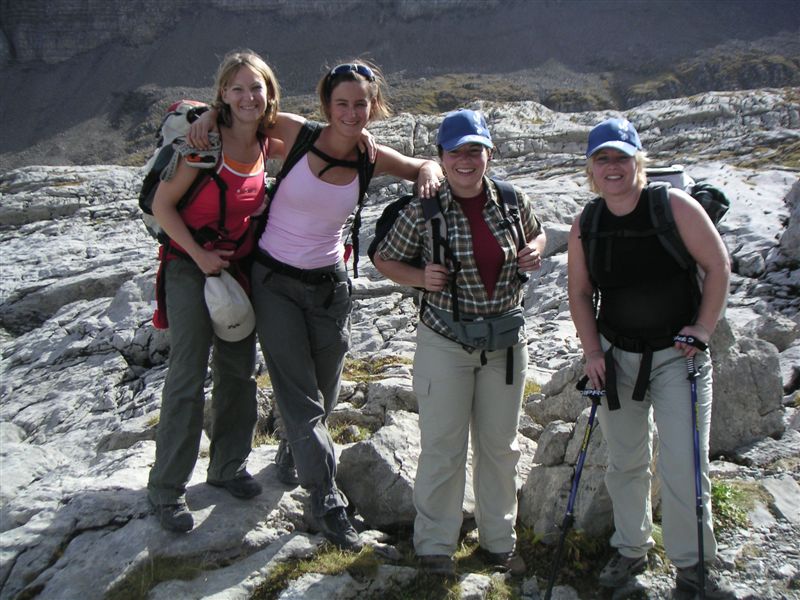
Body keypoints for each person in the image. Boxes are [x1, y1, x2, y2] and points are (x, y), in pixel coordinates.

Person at [191, 60, 443, 551]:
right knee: (302, 399)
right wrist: (207, 115)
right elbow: (244, 112)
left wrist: (431, 169)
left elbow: (419, 167)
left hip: (330, 287)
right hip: (275, 283)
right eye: (341, 103)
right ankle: (326, 499)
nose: (351, 113)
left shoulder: (370, 156)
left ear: (373, 106)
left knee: (325, 392)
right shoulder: (297, 132)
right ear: (326, 104)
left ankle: (293, 451)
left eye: (360, 104)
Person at [373, 109, 546, 576]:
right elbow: (385, 259)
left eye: (475, 150)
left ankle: (498, 542)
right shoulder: (423, 209)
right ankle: (434, 546)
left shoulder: (511, 200)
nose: (466, 160)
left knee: (500, 447)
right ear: (441, 156)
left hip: (505, 344)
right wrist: (420, 278)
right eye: (456, 152)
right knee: (443, 446)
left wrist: (535, 250)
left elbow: (538, 234)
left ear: (489, 153)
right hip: (445, 341)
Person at [567, 118, 734, 598]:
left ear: (638, 161)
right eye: (602, 159)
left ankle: (693, 566)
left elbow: (717, 264)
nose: (612, 167)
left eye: (621, 157)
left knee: (684, 464)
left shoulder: (673, 206)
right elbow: (580, 293)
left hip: (679, 357)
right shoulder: (587, 224)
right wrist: (593, 352)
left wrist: (703, 329)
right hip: (617, 358)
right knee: (625, 461)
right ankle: (630, 548)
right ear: (591, 169)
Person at [147, 49, 278, 532]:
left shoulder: (266, 139)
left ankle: (227, 467)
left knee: (238, 372)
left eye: (256, 87)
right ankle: (166, 490)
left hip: (235, 267)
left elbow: (324, 134)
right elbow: (163, 206)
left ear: (268, 93)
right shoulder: (203, 144)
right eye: (237, 88)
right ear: (222, 93)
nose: (248, 97)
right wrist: (200, 257)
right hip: (189, 265)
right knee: (187, 372)